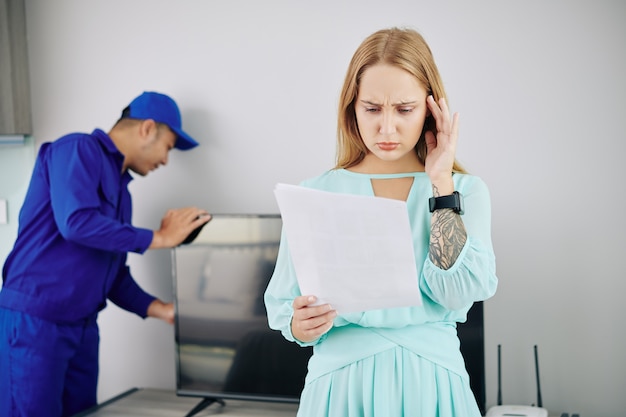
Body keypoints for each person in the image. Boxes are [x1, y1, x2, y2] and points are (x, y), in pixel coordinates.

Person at [264, 27, 498, 416]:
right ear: (352, 108)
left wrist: (441, 183)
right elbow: (284, 304)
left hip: (432, 384)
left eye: (404, 109)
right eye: (372, 108)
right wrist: (300, 324)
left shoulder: (464, 191)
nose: (386, 128)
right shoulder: (316, 192)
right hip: (339, 388)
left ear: (430, 108)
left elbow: (456, 293)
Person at [0, 91, 211, 417]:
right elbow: (76, 223)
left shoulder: (122, 196)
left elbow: (110, 274)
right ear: (147, 128)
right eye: (168, 147)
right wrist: (161, 237)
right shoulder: (77, 149)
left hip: (82, 328)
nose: (166, 161)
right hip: (36, 322)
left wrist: (163, 310)